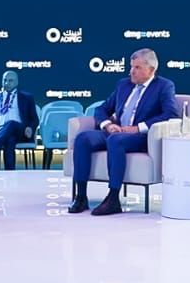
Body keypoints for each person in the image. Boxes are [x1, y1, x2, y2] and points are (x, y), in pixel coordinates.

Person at [68, 48, 179, 216]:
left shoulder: (164, 86)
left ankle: (113, 199)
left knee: (115, 141)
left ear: (151, 69)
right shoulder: (123, 84)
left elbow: (170, 114)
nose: (131, 71)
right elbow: (102, 109)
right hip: (116, 131)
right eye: (131, 67)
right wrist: (107, 125)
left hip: (140, 136)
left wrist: (138, 128)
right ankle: (81, 196)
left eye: (137, 68)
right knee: (83, 138)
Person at [0, 70, 39, 171]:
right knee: (10, 140)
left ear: (17, 82)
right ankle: (10, 173)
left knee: (11, 123)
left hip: (22, 132)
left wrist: (30, 128)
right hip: (1, 133)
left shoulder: (27, 98)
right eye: (5, 80)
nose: (7, 83)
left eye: (10, 81)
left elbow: (35, 119)